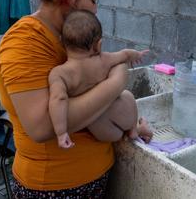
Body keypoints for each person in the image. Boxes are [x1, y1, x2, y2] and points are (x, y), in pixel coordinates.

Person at [0, 0, 141, 197]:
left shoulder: (70, 36)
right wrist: (117, 82)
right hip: (55, 186)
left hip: (90, 177)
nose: (96, 10)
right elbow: (41, 127)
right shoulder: (25, 42)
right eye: (94, 0)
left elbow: (88, 91)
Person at [49, 9, 151, 149]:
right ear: (98, 45)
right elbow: (125, 55)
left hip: (103, 131)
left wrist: (61, 133)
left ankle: (136, 130)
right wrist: (137, 55)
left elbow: (58, 100)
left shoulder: (60, 74)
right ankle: (135, 130)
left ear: (62, 44)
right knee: (127, 95)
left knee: (96, 121)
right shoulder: (103, 60)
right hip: (124, 114)